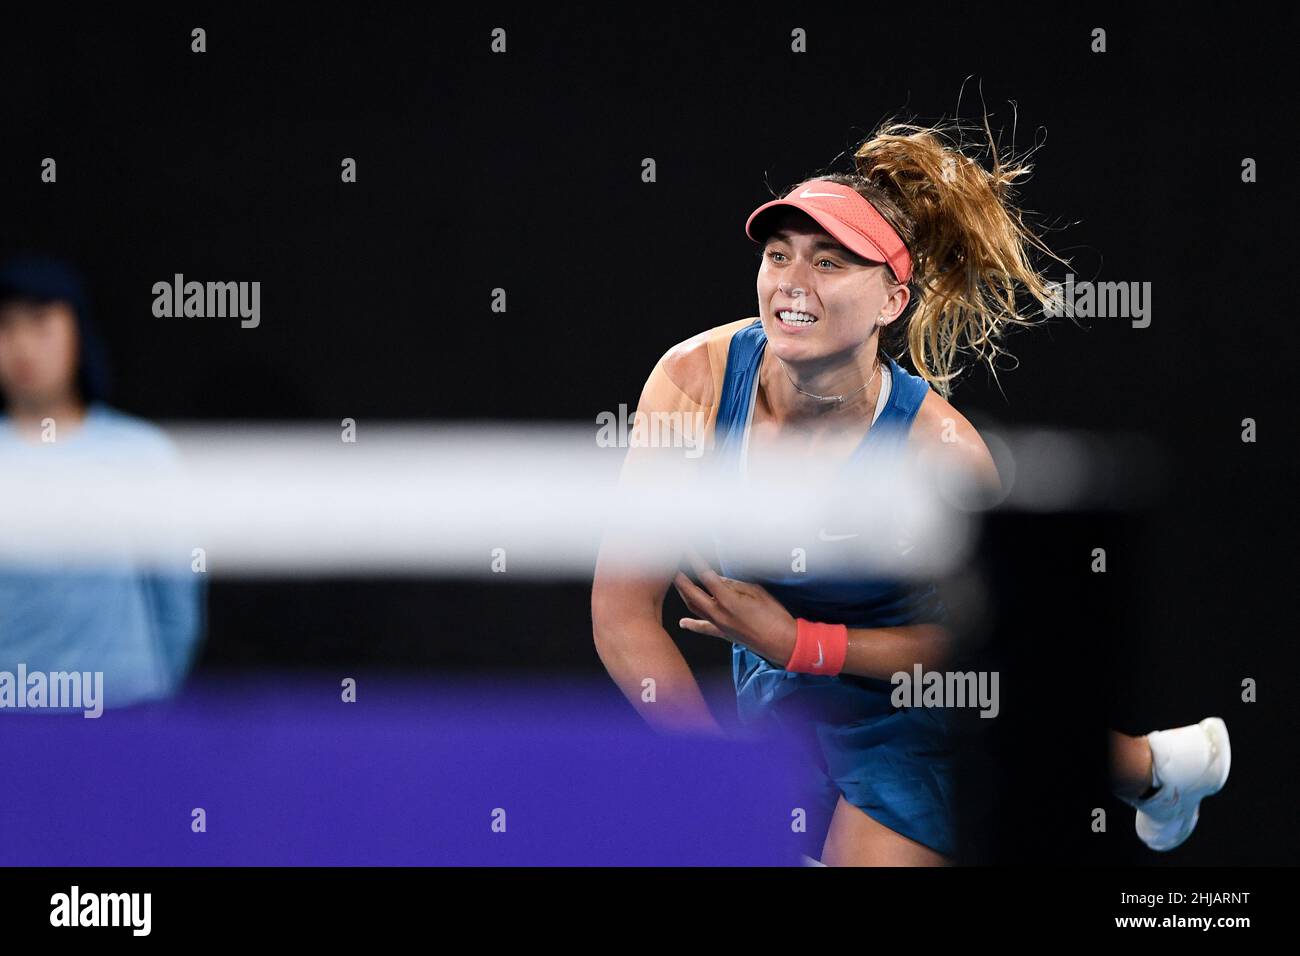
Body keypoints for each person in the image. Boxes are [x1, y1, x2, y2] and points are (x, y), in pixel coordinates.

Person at [591, 118, 1229, 863]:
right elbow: (622, 612)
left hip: (917, 705)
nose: (792, 281)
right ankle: (1158, 769)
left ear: (892, 301)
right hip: (781, 689)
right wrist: (713, 781)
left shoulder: (945, 454)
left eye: (830, 262)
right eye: (777, 255)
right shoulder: (691, 382)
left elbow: (985, 666)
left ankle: (1153, 768)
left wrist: (803, 642)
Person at [0, 255, 206, 709]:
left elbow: (177, 605)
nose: (22, 346)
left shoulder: (141, 453)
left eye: (40, 323)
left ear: (78, 333)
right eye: (6, 327)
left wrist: (146, 699)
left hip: (124, 716)